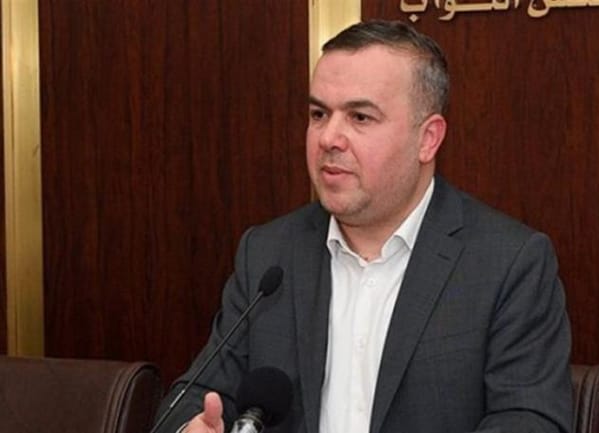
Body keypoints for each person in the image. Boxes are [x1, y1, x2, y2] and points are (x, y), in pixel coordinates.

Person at [155, 19, 572, 433]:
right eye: (319, 114)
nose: (328, 138)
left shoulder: (507, 263)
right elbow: (194, 396)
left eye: (360, 117)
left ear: (428, 139)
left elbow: (530, 419)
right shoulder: (268, 254)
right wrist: (190, 427)